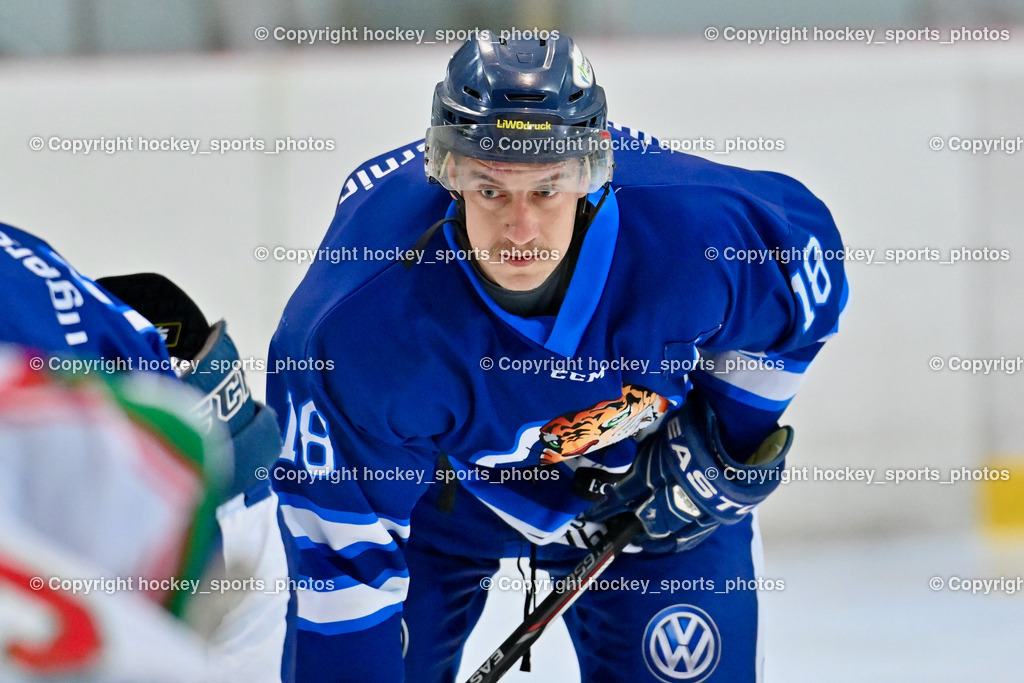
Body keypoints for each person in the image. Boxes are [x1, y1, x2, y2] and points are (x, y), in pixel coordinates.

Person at [266, 32, 847, 682]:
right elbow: (343, 577)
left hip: (645, 490)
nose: (519, 228)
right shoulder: (353, 329)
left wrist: (725, 440)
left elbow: (808, 284)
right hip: (437, 498)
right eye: (491, 190)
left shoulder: (695, 233)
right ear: (449, 175)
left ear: (589, 176)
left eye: (545, 191)